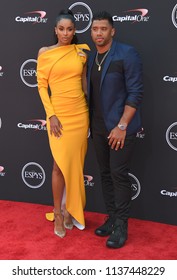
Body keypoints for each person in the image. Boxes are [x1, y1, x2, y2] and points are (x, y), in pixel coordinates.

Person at [87, 11, 143, 248]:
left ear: (112, 31)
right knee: (105, 174)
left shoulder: (126, 53)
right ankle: (111, 219)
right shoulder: (91, 57)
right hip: (98, 128)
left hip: (120, 128)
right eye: (95, 29)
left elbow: (135, 92)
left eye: (103, 29)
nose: (98, 33)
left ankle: (121, 226)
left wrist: (122, 126)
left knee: (119, 176)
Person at [37, 10, 90, 238]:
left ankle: (71, 210)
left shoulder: (82, 52)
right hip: (58, 115)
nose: (66, 33)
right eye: (62, 29)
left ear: (74, 30)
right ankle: (58, 213)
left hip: (80, 114)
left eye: (70, 29)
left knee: (76, 165)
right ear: (55, 30)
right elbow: (41, 87)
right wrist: (51, 115)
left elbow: (85, 85)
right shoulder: (45, 53)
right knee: (59, 165)